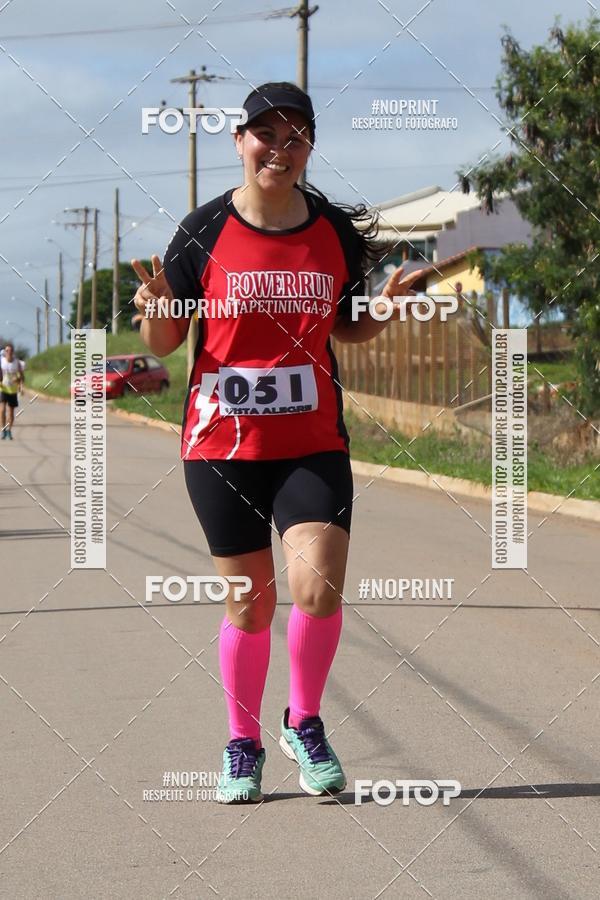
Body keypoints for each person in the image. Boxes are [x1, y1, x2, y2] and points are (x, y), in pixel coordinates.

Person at [132, 82, 423, 803]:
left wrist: (382, 311)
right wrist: (157, 310)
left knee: (317, 587)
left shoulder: (331, 231)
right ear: (240, 142)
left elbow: (345, 326)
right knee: (251, 605)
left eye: (295, 137)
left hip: (311, 441)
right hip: (221, 448)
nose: (279, 149)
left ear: (309, 148)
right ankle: (242, 741)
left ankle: (305, 720)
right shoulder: (202, 234)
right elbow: (166, 342)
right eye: (266, 135)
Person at [1, 343, 25, 440]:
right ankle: (3, 430)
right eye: (7, 351)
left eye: (10, 351)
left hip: (13, 390)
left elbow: (22, 377)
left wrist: (19, 383)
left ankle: (9, 431)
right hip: (2, 388)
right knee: (2, 410)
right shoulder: (1, 361)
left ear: (13, 352)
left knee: (11, 412)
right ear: (5, 352)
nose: (9, 352)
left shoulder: (17, 363)